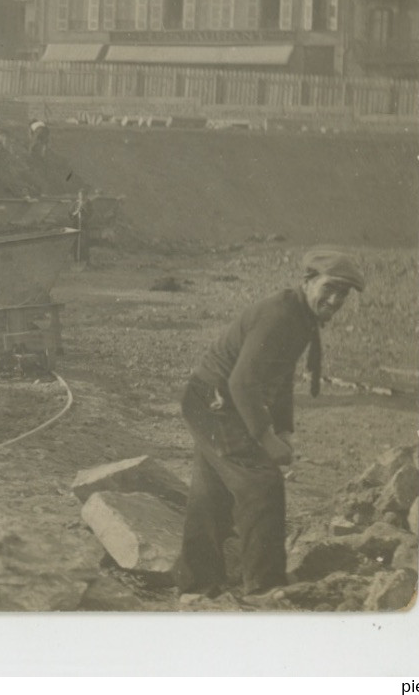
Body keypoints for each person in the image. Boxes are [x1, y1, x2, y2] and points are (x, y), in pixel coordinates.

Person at [172, 248, 367, 599]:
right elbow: (243, 383)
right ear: (308, 282)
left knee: (212, 489)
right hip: (215, 402)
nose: (336, 299)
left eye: (344, 293)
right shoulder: (281, 316)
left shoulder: (299, 315)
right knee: (261, 482)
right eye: (331, 287)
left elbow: (279, 375)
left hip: (209, 400)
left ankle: (198, 581)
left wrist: (284, 428)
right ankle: (265, 586)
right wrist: (265, 436)